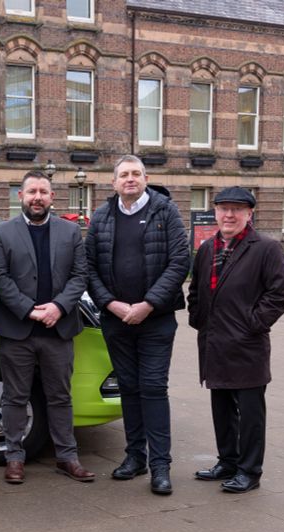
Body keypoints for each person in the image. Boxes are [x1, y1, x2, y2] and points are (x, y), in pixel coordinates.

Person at [85, 155, 190, 495]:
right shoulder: (101, 216)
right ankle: (135, 457)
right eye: (123, 175)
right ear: (113, 183)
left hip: (155, 320)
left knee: (153, 388)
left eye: (135, 174)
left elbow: (180, 261)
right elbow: (88, 267)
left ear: (146, 178)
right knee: (128, 388)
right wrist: (111, 304)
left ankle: (160, 466)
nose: (129, 179)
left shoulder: (165, 211)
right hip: (116, 321)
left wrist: (148, 305)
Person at [0, 170, 94, 484]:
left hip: (58, 330)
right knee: (15, 397)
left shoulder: (70, 231)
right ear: (20, 196)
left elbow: (80, 275)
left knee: (60, 396)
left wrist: (58, 307)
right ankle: (14, 457)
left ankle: (67, 457)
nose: (37, 197)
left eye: (43, 192)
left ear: (52, 197)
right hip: (17, 330)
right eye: (32, 191)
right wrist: (29, 310)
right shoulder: (1, 232)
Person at [187, 186, 284, 493]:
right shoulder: (208, 248)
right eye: (223, 209)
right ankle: (228, 462)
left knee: (250, 414)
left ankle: (249, 471)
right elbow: (195, 290)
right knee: (221, 409)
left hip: (247, 345)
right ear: (216, 212)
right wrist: (198, 318)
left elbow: (281, 293)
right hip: (214, 343)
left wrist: (253, 323)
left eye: (236, 209)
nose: (229, 215)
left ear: (249, 214)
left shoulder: (266, 248)